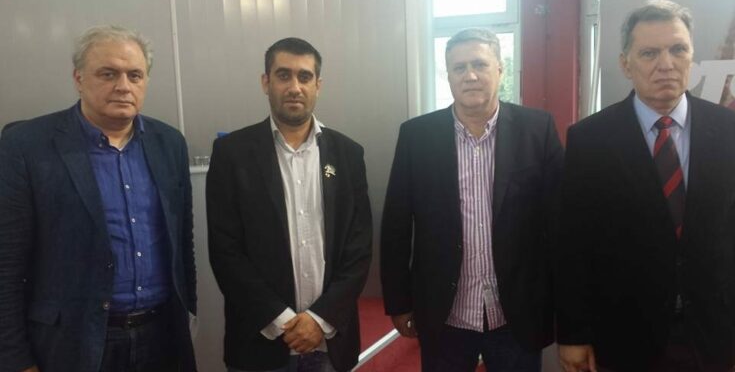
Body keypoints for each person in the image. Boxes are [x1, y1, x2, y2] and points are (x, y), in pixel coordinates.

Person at [0, 25, 197, 372]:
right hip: (73, 342)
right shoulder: (26, 146)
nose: (123, 86)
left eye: (135, 75)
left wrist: (188, 313)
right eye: (108, 74)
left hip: (161, 336)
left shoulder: (169, 143)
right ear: (78, 78)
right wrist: (14, 357)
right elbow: (7, 261)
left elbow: (183, 242)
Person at [556, 0, 735, 372]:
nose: (666, 64)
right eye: (649, 53)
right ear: (626, 64)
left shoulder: (728, 130)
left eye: (678, 50)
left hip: (716, 331)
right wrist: (573, 333)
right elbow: (573, 244)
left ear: (692, 57)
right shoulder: (589, 140)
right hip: (625, 332)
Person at [380, 27, 563, 371]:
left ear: (500, 69)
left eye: (480, 64)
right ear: (448, 76)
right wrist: (398, 302)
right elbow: (396, 227)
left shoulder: (537, 130)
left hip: (516, 313)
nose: (471, 76)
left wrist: (561, 305)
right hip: (445, 313)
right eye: (459, 68)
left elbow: (558, 224)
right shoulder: (417, 136)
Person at [206, 37, 372, 372]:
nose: (295, 87)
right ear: (265, 82)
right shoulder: (232, 154)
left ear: (318, 85)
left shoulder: (348, 154)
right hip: (261, 343)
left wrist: (320, 318)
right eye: (283, 75)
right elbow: (225, 251)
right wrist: (283, 321)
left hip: (331, 340)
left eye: (304, 76)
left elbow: (359, 247)